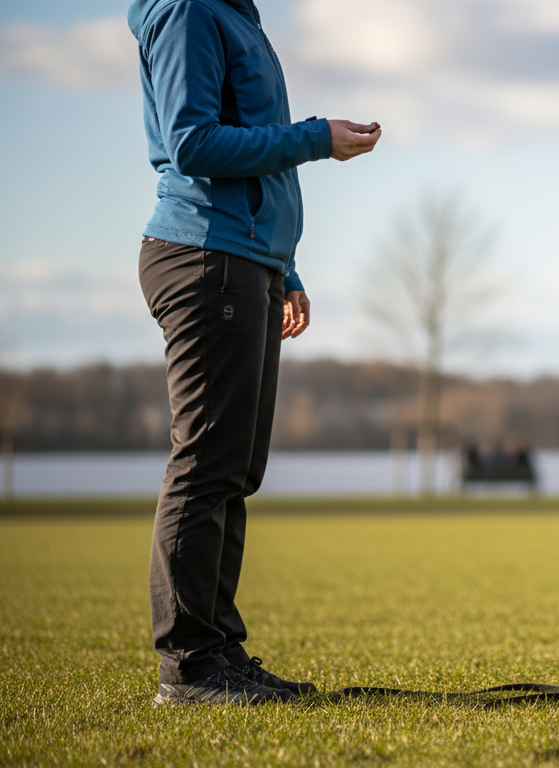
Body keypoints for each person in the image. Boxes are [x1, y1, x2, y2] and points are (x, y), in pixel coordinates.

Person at [128, 0, 381, 705]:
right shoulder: (188, 10)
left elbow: (246, 154)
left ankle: (220, 654)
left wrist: (284, 268)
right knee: (207, 463)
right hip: (206, 256)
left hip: (246, 262)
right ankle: (190, 668)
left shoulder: (237, 16)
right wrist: (314, 139)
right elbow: (194, 143)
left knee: (235, 469)